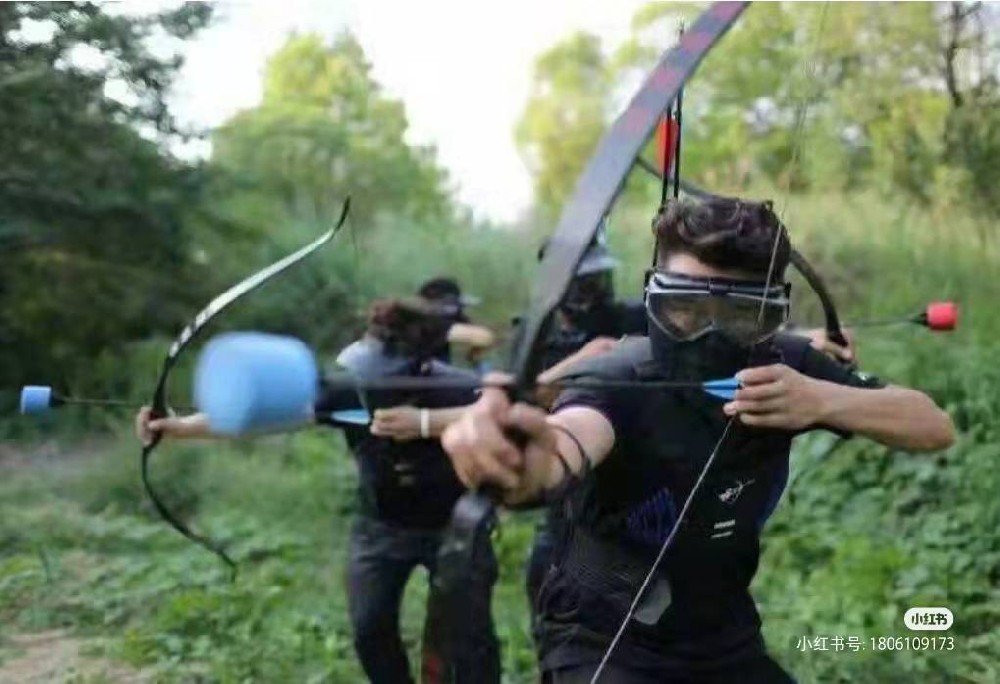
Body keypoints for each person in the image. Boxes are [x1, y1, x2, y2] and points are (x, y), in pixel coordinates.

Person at [440, 196, 954, 683]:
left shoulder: (785, 369)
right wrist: (522, 462)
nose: (709, 335)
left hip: (721, 630)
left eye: (740, 315)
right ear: (652, 297)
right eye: (684, 306)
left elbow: (931, 424)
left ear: (772, 314)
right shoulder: (617, 378)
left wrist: (822, 399)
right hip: (602, 634)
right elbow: (565, 444)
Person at [135, 298, 500, 684]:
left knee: (467, 637)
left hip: (454, 527)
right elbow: (273, 416)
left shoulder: (455, 388)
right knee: (369, 629)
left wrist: (425, 422)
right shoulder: (352, 386)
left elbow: (510, 411)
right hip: (380, 528)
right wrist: (180, 427)